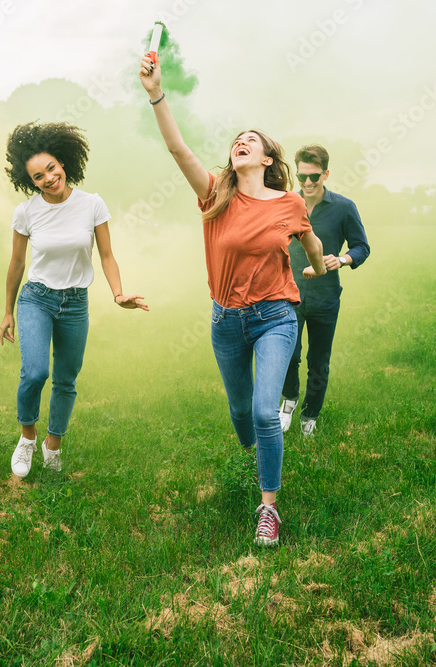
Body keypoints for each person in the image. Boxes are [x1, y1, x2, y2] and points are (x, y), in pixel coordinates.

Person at [139, 55, 328, 547]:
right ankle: (256, 447)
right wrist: (157, 93)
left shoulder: (289, 203)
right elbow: (178, 149)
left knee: (266, 413)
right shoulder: (215, 196)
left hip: (275, 317)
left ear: (267, 159)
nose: (241, 143)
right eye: (236, 141)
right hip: (226, 321)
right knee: (241, 413)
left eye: (253, 141)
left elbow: (309, 240)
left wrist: (317, 263)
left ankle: (269, 508)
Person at [0, 121, 147, 479]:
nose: (48, 178)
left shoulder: (92, 204)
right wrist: (8, 311)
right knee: (35, 372)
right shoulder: (26, 212)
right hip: (37, 299)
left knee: (66, 380)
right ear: (30, 181)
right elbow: (18, 262)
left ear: (64, 162)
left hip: (75, 304)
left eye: (51, 168)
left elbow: (106, 255)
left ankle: (54, 444)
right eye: (38, 176)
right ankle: (28, 437)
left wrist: (117, 294)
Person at [280, 145, 370, 437]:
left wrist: (342, 259)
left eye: (314, 176)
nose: (307, 183)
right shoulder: (287, 203)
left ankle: (310, 415)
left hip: (325, 297)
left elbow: (362, 247)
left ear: (326, 174)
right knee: (288, 356)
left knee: (318, 361)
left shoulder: (344, 207)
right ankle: (289, 400)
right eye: (302, 176)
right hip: (288, 294)